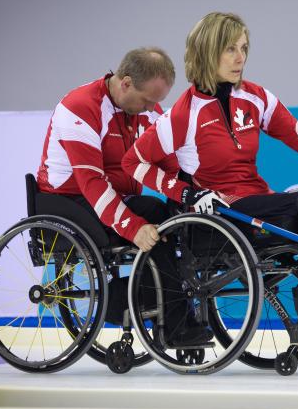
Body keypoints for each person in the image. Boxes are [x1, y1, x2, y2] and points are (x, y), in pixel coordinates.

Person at [122, 13, 298, 352]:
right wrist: (186, 192)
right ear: (206, 52)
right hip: (222, 213)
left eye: (244, 48)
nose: (240, 57)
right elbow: (134, 162)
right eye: (230, 49)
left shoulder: (255, 97)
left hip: (256, 199)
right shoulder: (184, 114)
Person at [36, 47, 212, 346]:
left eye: (157, 102)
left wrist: (195, 195)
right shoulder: (79, 107)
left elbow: (171, 166)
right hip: (70, 202)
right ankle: (173, 323)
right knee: (154, 218)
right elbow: (92, 183)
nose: (150, 109)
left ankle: (144, 299)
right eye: (146, 100)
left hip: (118, 197)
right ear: (126, 83)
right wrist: (134, 228)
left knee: (179, 217)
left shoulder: (146, 110)